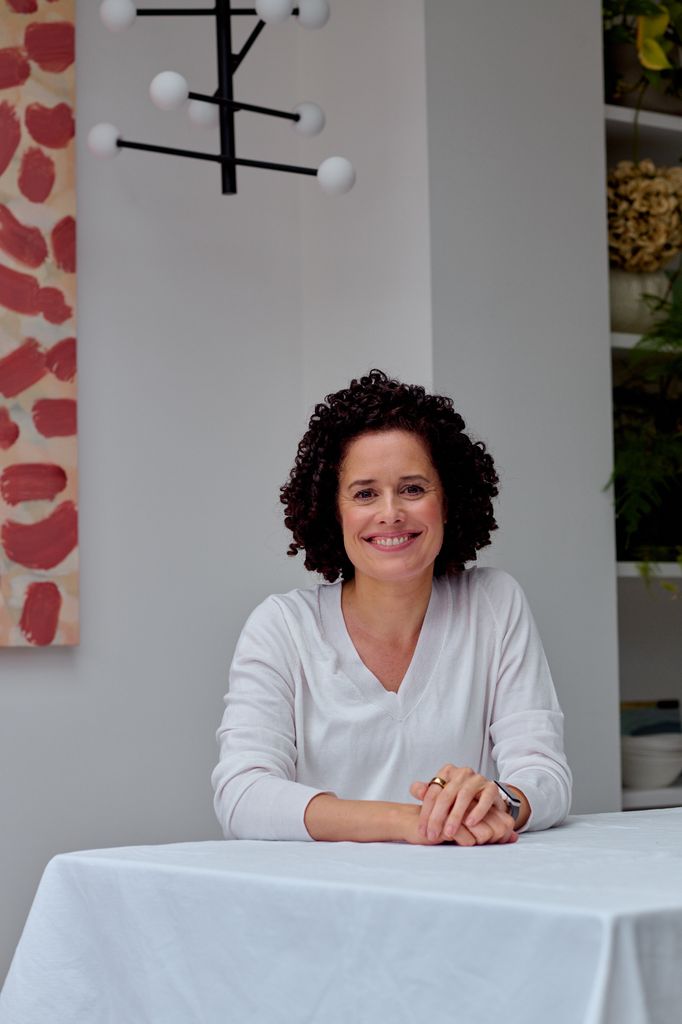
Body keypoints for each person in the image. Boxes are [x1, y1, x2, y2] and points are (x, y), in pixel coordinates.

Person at [212, 370, 572, 846]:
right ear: (332, 510)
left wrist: (495, 799)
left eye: (413, 489)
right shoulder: (282, 627)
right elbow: (242, 795)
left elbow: (545, 773)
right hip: (324, 904)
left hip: (470, 895)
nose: (391, 513)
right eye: (364, 493)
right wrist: (412, 821)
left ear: (448, 503)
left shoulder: (493, 603)